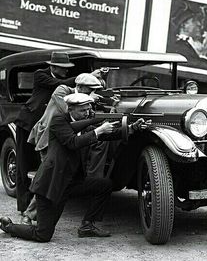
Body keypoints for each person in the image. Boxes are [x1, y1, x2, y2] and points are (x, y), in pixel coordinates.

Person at [0, 93, 148, 242]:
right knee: (43, 234)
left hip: (70, 183)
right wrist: (98, 130)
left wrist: (131, 128)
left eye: (89, 110)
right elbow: (73, 142)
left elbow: (107, 135)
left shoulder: (83, 123)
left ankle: (87, 226)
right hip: (50, 184)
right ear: (71, 109)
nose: (87, 113)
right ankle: (9, 226)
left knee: (104, 185)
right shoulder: (58, 121)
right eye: (83, 110)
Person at [21, 73, 103, 225]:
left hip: (62, 140)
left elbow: (83, 119)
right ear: (79, 87)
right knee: (47, 181)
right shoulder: (62, 91)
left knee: (56, 181)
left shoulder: (84, 100)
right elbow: (69, 111)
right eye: (89, 90)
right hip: (48, 140)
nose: (91, 93)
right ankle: (29, 215)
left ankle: (40, 215)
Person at [15, 51, 76, 215]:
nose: (66, 71)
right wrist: (82, 78)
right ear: (53, 67)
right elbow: (58, 84)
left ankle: (35, 206)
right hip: (27, 123)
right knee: (23, 165)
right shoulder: (40, 74)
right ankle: (23, 207)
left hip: (44, 127)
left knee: (40, 167)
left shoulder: (60, 83)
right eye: (63, 68)